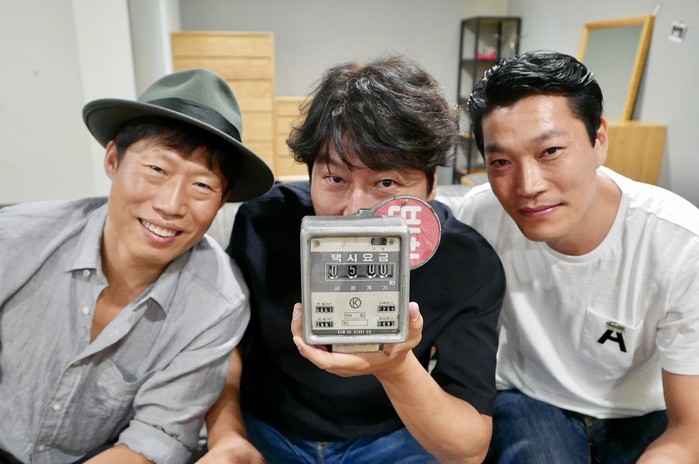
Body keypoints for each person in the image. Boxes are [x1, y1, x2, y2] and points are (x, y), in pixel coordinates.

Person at [199, 55, 506, 464]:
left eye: (386, 182)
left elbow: (469, 449)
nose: (355, 210)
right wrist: (228, 437)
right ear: (310, 174)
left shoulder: (466, 263)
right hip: (270, 430)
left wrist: (396, 368)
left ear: (432, 183)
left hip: (394, 437)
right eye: (336, 178)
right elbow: (225, 346)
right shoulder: (265, 222)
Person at [0, 68, 274, 463]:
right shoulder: (15, 238)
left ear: (222, 198)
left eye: (202, 185)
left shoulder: (218, 303)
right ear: (113, 159)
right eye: (157, 170)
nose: (171, 205)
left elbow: (153, 439)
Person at [456, 50, 699, 463]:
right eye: (501, 161)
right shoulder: (479, 217)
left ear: (598, 139)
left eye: (551, 150)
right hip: (530, 397)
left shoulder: (679, 243)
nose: (528, 186)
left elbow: (689, 428)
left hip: (642, 411)